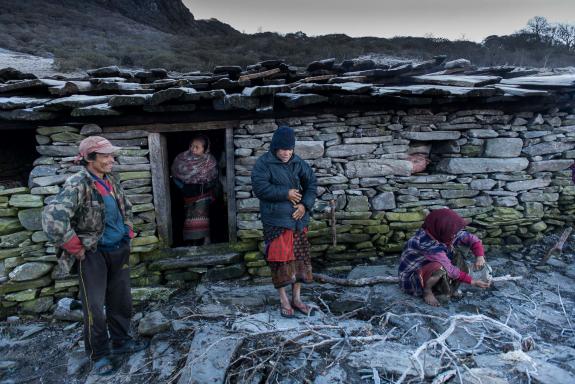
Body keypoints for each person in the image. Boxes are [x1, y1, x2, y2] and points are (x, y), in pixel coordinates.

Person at [42, 136, 148, 375]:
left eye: (112, 155)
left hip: (118, 250)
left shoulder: (110, 180)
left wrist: (128, 230)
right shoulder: (78, 183)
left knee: (121, 301)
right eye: (106, 155)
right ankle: (98, 354)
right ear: (89, 158)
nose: (112, 159)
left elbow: (126, 207)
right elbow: (52, 219)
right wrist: (74, 246)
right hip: (92, 254)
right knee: (95, 307)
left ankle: (121, 341)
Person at [252, 126, 318, 318]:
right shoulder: (263, 164)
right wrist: (285, 193)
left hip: (298, 220)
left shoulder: (298, 162)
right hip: (277, 221)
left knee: (300, 259)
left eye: (289, 149)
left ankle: (297, 299)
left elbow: (311, 184)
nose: (286, 153)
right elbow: (260, 188)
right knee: (280, 260)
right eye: (282, 149)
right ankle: (284, 300)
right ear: (274, 148)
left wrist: (305, 205)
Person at [398, 208, 491, 307]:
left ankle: (449, 286)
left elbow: (471, 238)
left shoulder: (438, 231)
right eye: (453, 233)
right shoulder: (427, 244)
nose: (455, 234)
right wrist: (473, 282)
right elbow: (450, 270)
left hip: (428, 263)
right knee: (439, 267)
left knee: (459, 247)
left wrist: (480, 256)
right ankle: (427, 291)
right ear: (443, 229)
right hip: (412, 278)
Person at [171, 135, 218, 246]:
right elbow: (174, 175)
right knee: (189, 218)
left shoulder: (209, 161)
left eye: (197, 147)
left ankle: (206, 239)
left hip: (204, 193)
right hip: (188, 195)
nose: (193, 149)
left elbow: (214, 177)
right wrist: (183, 187)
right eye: (191, 146)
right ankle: (192, 241)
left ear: (205, 149)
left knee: (204, 217)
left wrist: (206, 186)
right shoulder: (181, 159)